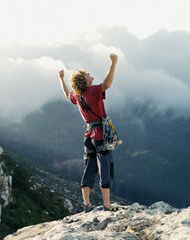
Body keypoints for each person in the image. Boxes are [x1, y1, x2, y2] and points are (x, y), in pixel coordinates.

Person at [58, 53, 118, 212]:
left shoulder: (77, 95)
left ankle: (86, 204)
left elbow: (66, 94)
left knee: (89, 167)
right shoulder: (92, 91)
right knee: (105, 166)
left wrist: (61, 79)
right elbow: (107, 84)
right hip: (101, 135)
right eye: (88, 74)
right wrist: (113, 63)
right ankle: (106, 205)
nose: (90, 75)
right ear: (85, 80)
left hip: (88, 134)